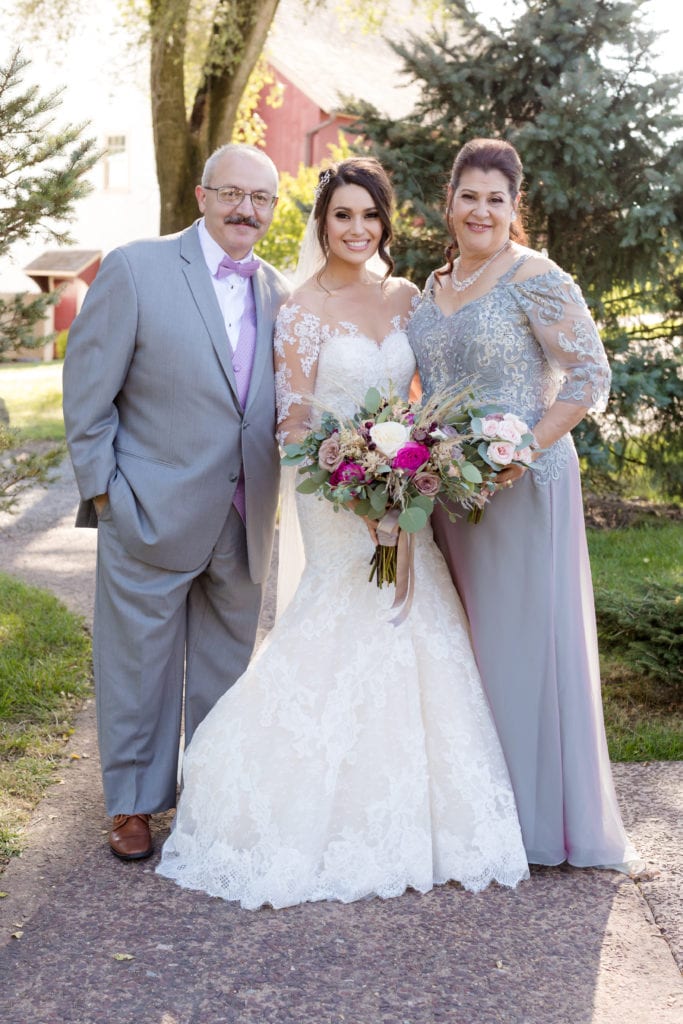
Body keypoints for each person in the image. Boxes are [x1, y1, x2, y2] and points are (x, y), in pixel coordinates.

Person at [156, 157, 529, 910]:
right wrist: (355, 487)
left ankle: (419, 808)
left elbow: (420, 394)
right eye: (342, 216)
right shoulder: (299, 305)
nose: (356, 230)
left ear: (384, 224)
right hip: (333, 497)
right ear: (321, 223)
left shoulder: (403, 297)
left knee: (415, 626)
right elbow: (292, 418)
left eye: (369, 216)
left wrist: (413, 473)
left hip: (405, 485)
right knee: (342, 620)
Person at [407, 137, 639, 871]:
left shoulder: (534, 275)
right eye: (468, 196)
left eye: (495, 199)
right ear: (448, 203)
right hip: (451, 493)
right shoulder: (431, 285)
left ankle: (538, 819)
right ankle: (475, 812)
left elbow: (587, 374)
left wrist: (519, 452)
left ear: (515, 208)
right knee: (463, 650)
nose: (480, 210)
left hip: (522, 486)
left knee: (519, 647)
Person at [62, 143, 290, 861]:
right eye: (231, 193)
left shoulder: (280, 291)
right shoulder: (137, 268)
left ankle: (211, 797)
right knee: (138, 667)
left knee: (227, 669)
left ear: (273, 211)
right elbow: (86, 396)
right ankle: (133, 805)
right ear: (201, 194)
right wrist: (107, 494)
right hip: (148, 509)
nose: (244, 209)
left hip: (244, 510)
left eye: (260, 199)